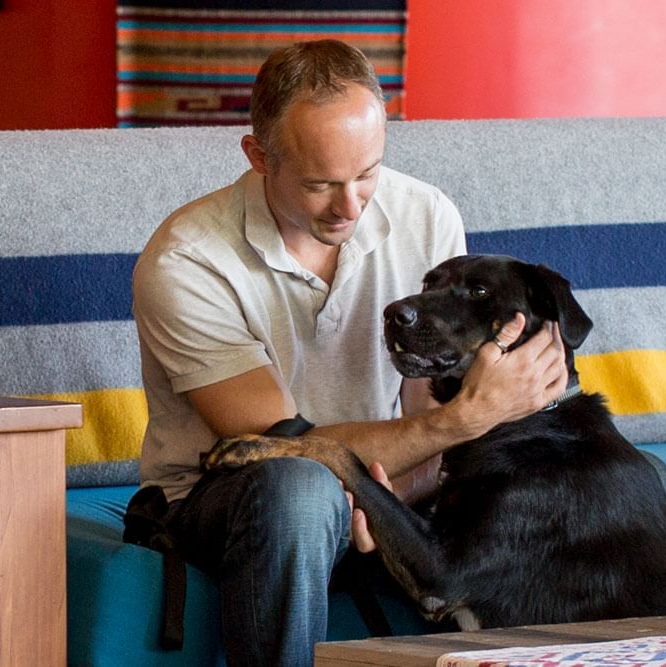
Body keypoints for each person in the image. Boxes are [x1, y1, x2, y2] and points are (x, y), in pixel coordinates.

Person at [129, 40, 569, 666]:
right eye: (320, 184)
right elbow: (274, 441)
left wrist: (396, 498)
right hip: (228, 490)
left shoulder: (426, 213)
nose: (351, 206)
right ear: (259, 156)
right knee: (300, 493)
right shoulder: (189, 261)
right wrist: (465, 419)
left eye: (368, 174)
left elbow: (424, 401)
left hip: (390, 473)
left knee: (637, 488)